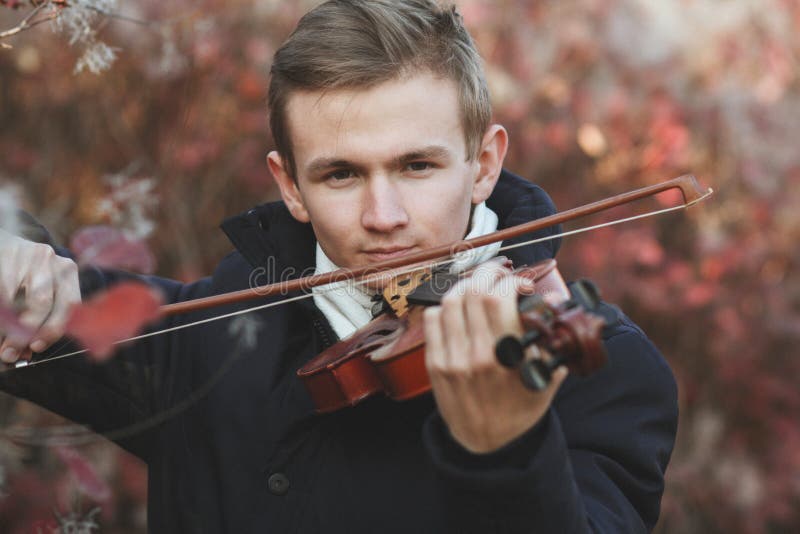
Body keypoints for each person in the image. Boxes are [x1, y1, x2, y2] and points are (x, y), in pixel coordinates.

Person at [0, 1, 677, 532]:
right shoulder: (218, 331)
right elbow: (29, 295)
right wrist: (16, 254)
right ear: (290, 186)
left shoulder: (607, 372)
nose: (384, 215)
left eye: (417, 166)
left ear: (485, 164)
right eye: (341, 174)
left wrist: (508, 449)